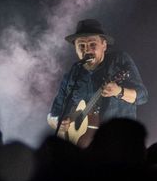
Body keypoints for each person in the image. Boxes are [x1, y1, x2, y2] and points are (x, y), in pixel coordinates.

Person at [47, 19, 148, 147]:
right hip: (86, 148)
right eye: (81, 45)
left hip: (120, 141)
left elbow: (143, 96)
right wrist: (59, 122)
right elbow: (52, 115)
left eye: (92, 44)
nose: (87, 50)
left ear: (104, 45)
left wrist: (119, 91)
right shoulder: (72, 74)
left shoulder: (118, 60)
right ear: (76, 49)